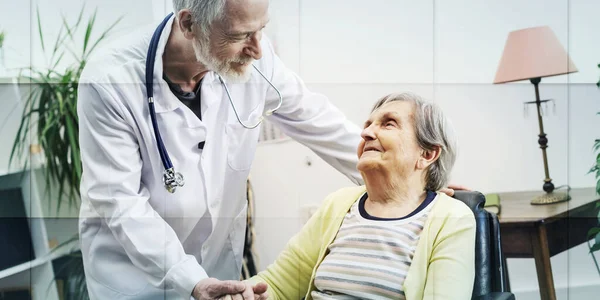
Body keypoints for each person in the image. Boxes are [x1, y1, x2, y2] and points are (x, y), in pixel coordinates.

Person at [77, 0, 463, 299]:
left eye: (262, 28)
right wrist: (190, 280)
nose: (258, 49)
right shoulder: (108, 81)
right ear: (190, 23)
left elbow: (316, 118)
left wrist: (413, 182)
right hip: (136, 277)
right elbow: (120, 203)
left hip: (216, 270)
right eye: (241, 35)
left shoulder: (256, 60)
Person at [243, 93, 477, 300]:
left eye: (388, 124)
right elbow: (276, 285)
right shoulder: (338, 204)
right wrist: (237, 293)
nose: (366, 132)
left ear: (427, 154)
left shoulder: (451, 217)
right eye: (367, 124)